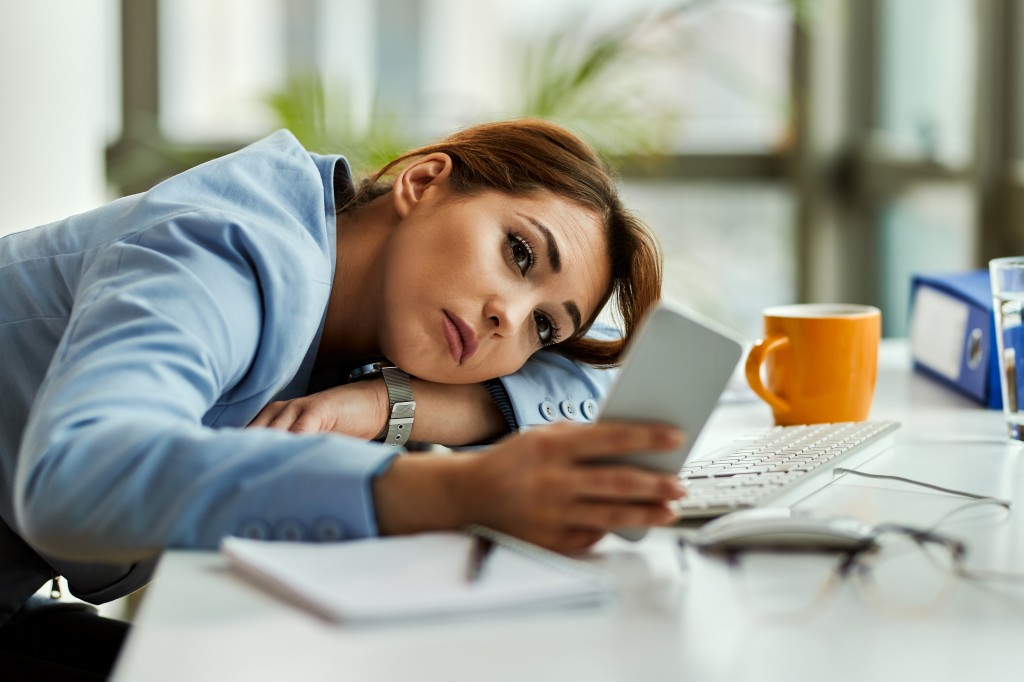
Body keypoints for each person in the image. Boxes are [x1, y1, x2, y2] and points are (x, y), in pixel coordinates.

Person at [0, 119, 684, 678]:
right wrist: (451, 489)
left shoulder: (373, 315)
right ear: (422, 182)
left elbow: (601, 379)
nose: (511, 316)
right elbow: (75, 474)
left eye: (544, 325)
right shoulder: (220, 247)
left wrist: (387, 404)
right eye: (519, 253)